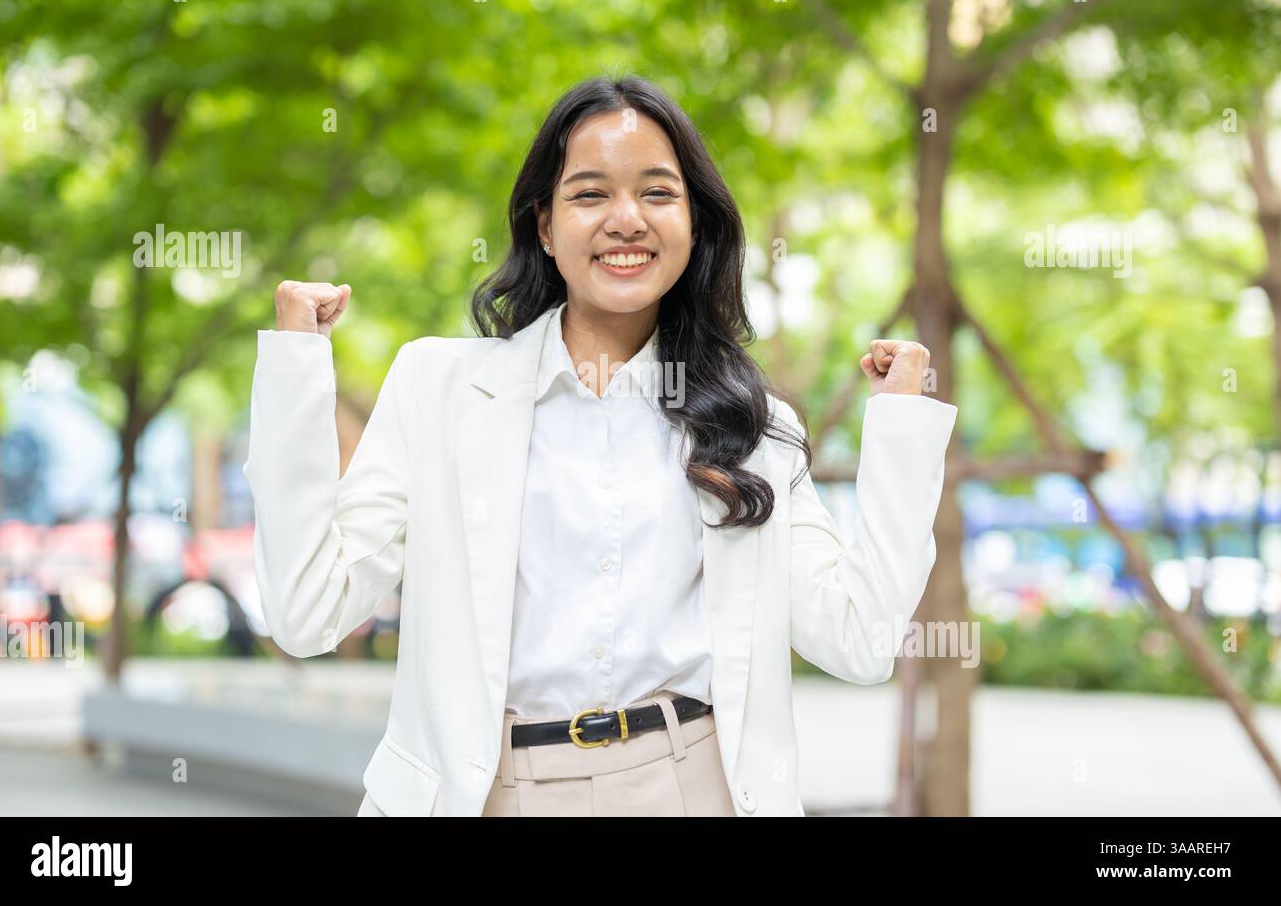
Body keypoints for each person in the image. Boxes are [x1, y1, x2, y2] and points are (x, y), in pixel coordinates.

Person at [243, 75, 957, 816]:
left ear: (695, 224)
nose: (626, 219)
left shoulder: (752, 425)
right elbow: (306, 613)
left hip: (690, 788)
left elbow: (862, 641)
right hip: (488, 794)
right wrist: (296, 369)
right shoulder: (440, 388)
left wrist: (901, 427)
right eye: (589, 194)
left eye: (657, 193)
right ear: (544, 226)